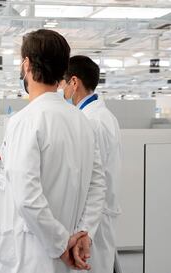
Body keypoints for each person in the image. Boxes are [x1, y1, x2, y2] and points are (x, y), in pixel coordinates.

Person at [0, 29, 106, 273]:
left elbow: (27, 197)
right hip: (66, 252)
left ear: (27, 64)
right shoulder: (82, 120)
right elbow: (98, 185)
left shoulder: (25, 121)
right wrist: (84, 234)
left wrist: (61, 245)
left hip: (28, 256)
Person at [61, 55, 122, 273]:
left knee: (92, 267)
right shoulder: (101, 116)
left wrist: (83, 229)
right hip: (99, 216)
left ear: (74, 82)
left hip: (94, 220)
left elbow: (93, 180)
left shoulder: (92, 121)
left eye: (63, 82)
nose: (62, 89)